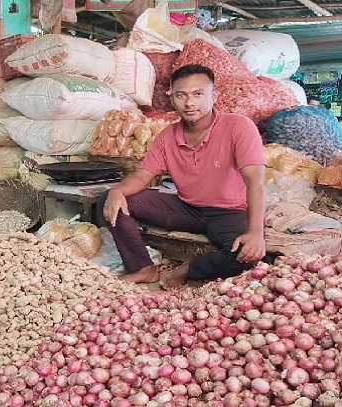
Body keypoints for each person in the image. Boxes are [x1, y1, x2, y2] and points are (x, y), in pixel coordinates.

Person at [100, 64, 267, 289]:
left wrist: (256, 232)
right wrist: (117, 191)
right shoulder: (167, 136)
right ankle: (143, 268)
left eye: (198, 94)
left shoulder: (238, 126)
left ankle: (191, 267)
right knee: (110, 199)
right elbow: (142, 177)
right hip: (186, 208)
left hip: (230, 212)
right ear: (172, 98)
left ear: (213, 95)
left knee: (248, 257)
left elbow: (254, 181)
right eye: (181, 95)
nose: (189, 103)